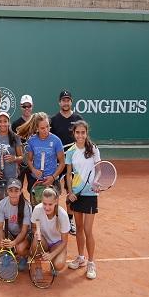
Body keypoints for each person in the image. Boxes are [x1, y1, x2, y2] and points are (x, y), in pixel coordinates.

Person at [65, 120, 100, 279]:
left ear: (86, 133)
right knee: (78, 229)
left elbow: (99, 170)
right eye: (77, 132)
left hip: (90, 195)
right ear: (74, 133)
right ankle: (81, 258)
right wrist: (70, 192)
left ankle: (91, 262)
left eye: (83, 132)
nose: (80, 135)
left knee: (87, 230)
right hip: (76, 194)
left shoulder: (93, 149)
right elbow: (68, 174)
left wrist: (97, 182)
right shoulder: (71, 151)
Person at [50, 89, 83, 235]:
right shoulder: (54, 120)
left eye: (68, 100)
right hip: (58, 163)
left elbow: (82, 140)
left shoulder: (78, 119)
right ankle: (54, 220)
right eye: (63, 100)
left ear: (71, 101)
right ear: (59, 102)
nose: (65, 102)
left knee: (71, 191)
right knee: (54, 192)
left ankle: (69, 221)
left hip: (73, 163)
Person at [18, 112, 65, 200]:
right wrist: (34, 170)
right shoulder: (31, 141)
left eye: (47, 126)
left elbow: (62, 163)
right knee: (36, 210)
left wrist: (52, 177)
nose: (46, 130)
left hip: (52, 181)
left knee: (52, 209)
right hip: (36, 181)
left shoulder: (56, 141)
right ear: (37, 128)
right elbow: (29, 160)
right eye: (42, 128)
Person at [30, 187, 70, 273]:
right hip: (43, 241)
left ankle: (56, 259)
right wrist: (36, 232)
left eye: (50, 204)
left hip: (57, 244)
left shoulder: (63, 215)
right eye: (44, 204)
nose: (47, 208)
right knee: (36, 240)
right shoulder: (37, 209)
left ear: (56, 201)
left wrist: (52, 255)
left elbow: (64, 242)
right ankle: (38, 267)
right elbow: (33, 227)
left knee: (58, 265)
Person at [0, 178, 32, 271]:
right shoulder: (2, 204)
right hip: (10, 233)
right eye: (11, 190)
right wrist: (3, 242)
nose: (13, 193)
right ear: (7, 191)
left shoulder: (26, 206)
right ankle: (8, 253)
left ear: (21, 191)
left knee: (20, 248)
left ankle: (24, 256)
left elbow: (24, 231)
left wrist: (14, 243)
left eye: (16, 190)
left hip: (24, 235)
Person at [0, 112, 23, 201]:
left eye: (5, 121)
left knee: (12, 202)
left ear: (8, 123)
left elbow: (21, 157)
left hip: (12, 178)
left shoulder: (15, 137)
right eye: (0, 121)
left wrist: (14, 158)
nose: (3, 124)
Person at [12, 94, 34, 186]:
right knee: (18, 186)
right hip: (20, 162)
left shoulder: (36, 122)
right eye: (24, 106)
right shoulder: (15, 124)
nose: (26, 108)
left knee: (33, 188)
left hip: (33, 161)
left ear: (32, 106)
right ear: (21, 107)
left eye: (28, 106)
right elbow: (12, 144)